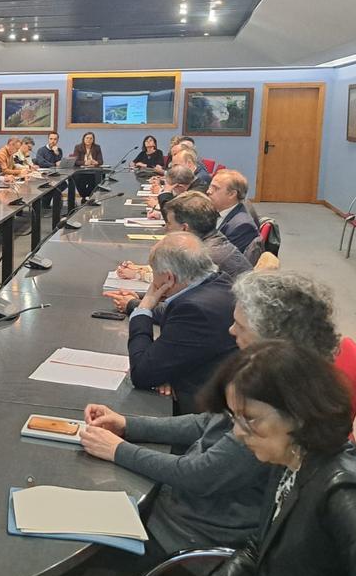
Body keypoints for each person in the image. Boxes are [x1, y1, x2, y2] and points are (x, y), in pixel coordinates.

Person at [82, 270, 343, 565]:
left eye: (239, 325)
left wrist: (117, 450)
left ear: (269, 335)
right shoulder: (270, 378)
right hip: (178, 511)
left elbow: (200, 474)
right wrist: (129, 424)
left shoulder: (275, 409)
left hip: (187, 537)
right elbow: (207, 422)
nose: (231, 330)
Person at [196, 340, 356, 576]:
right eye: (235, 417)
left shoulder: (347, 496)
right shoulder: (289, 457)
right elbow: (261, 549)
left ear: (297, 414)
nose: (238, 432)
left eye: (250, 419)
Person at [127, 232, 237, 412]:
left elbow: (141, 374)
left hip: (201, 408)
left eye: (154, 273)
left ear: (169, 278)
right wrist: (165, 367)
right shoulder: (221, 281)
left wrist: (144, 306)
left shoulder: (194, 310)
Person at [104, 191, 253, 314]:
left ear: (184, 229)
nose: (165, 229)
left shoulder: (205, 256)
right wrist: (145, 296)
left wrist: (133, 304)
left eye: (169, 223)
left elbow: (178, 309)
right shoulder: (213, 240)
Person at [209, 169, 260, 254]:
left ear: (232, 194)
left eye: (215, 188)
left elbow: (224, 259)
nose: (208, 191)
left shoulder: (242, 226)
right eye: (210, 186)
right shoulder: (218, 210)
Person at [71, 132, 104, 201]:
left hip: (93, 171)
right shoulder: (78, 147)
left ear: (93, 140)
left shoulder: (97, 147)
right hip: (81, 172)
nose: (89, 140)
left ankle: (88, 197)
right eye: (87, 138)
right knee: (76, 178)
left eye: (91, 138)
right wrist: (85, 162)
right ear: (83, 139)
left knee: (98, 178)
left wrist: (96, 162)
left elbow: (101, 161)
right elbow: (75, 161)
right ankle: (85, 196)